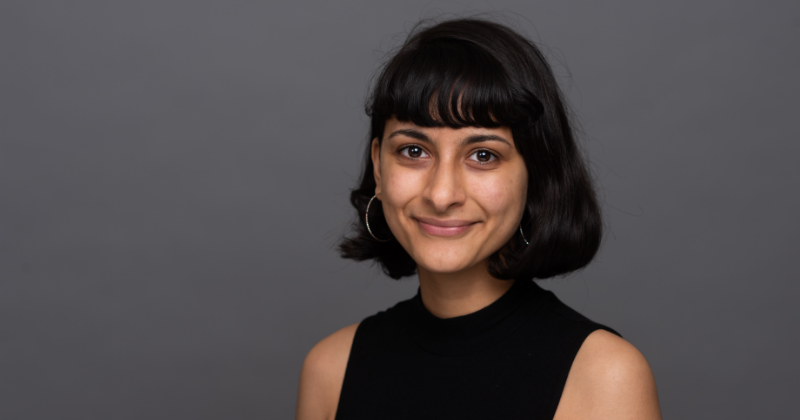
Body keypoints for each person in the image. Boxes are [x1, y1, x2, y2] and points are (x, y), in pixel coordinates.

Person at [296, 17, 661, 420]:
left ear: (535, 176)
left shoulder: (605, 377)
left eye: (483, 155)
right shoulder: (331, 369)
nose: (442, 194)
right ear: (379, 170)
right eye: (414, 151)